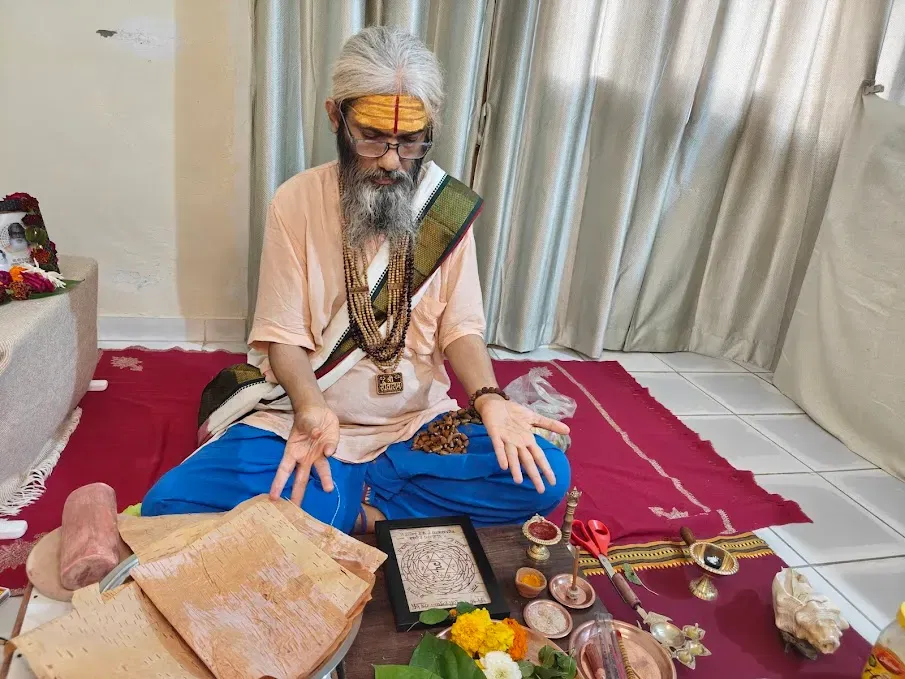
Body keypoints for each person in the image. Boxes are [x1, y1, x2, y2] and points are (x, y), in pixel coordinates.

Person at [142, 26, 571, 533]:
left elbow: (461, 328)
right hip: (310, 421)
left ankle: (355, 512)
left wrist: (491, 401)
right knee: (170, 503)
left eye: (410, 142)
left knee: (546, 477)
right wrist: (311, 410)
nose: (391, 160)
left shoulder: (445, 208)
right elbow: (283, 337)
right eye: (371, 137)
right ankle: (369, 510)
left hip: (415, 427)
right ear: (335, 118)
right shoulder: (296, 201)